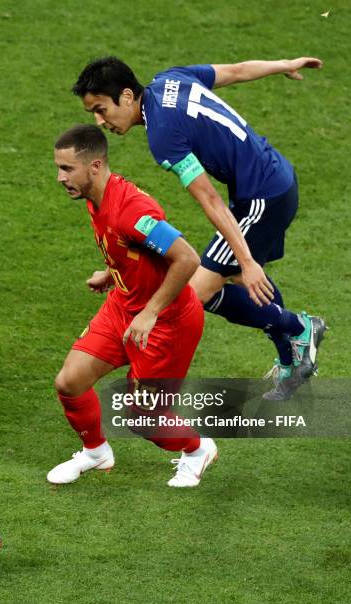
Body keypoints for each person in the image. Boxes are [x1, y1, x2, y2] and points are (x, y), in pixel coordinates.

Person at [72, 57, 327, 400]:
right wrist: (282, 64)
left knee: (194, 293)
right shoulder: (170, 79)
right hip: (275, 176)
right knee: (232, 277)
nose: (100, 122)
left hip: (262, 198)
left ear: (128, 96)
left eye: (101, 109)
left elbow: (208, 198)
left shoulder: (162, 135)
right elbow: (235, 72)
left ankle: (298, 329)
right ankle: (291, 355)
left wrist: (247, 260)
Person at [49, 123, 217, 488]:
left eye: (67, 169)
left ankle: (197, 449)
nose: (60, 177)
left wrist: (150, 312)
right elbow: (134, 250)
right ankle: (96, 453)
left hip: (167, 321)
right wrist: (113, 272)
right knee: (70, 381)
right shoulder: (95, 197)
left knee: (142, 416)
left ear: (94, 166)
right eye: (59, 168)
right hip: (124, 305)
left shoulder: (132, 210)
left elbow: (186, 259)